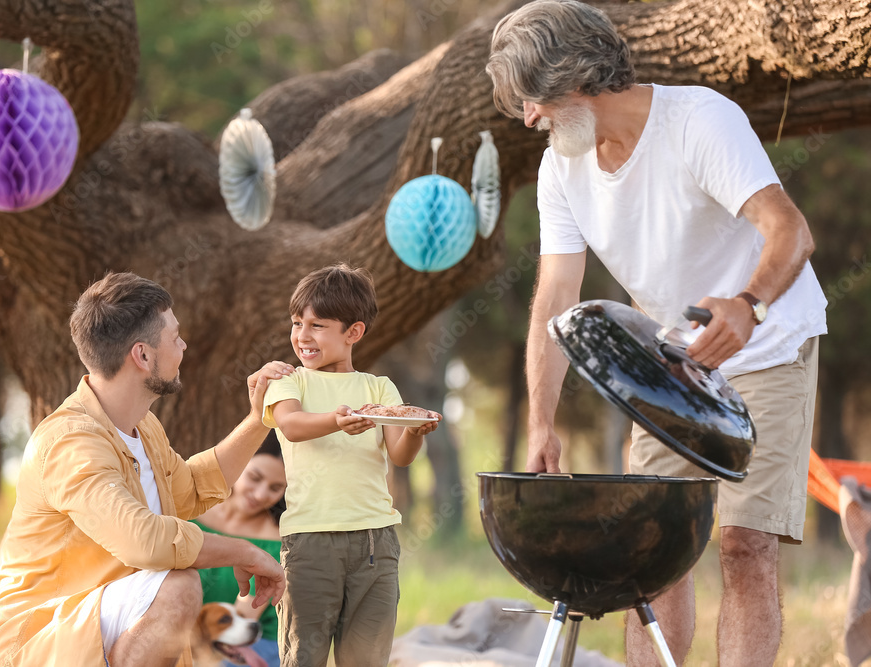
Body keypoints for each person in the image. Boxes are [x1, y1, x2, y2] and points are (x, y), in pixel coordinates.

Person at [487, 2, 826, 665]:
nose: (528, 117)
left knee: (743, 543)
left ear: (576, 77)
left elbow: (792, 230)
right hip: (671, 363)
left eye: (533, 99)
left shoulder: (699, 120)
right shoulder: (562, 168)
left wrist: (748, 303)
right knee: (650, 548)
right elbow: (555, 298)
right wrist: (541, 423)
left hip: (769, 341)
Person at [0, 272, 294, 667]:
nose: (184, 345)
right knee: (178, 586)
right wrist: (242, 551)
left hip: (101, 628)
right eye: (175, 337)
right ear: (142, 356)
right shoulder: (70, 441)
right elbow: (143, 540)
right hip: (37, 644)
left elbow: (190, 489)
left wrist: (259, 419)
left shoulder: (142, 427)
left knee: (174, 585)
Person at [261, 263, 441, 667]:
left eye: (318, 326)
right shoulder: (291, 381)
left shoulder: (379, 388)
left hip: (376, 541)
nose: (302, 336)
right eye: (296, 323)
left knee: (366, 658)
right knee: (303, 654)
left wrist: (414, 430)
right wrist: (336, 421)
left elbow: (400, 455)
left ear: (353, 332)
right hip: (310, 540)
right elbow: (290, 425)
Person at [192, 431, 286, 667]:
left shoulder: (278, 541)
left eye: (276, 488)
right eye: (254, 478)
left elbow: (244, 617)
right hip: (185, 632)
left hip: (248, 640)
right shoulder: (189, 512)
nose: (261, 494)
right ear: (236, 466)